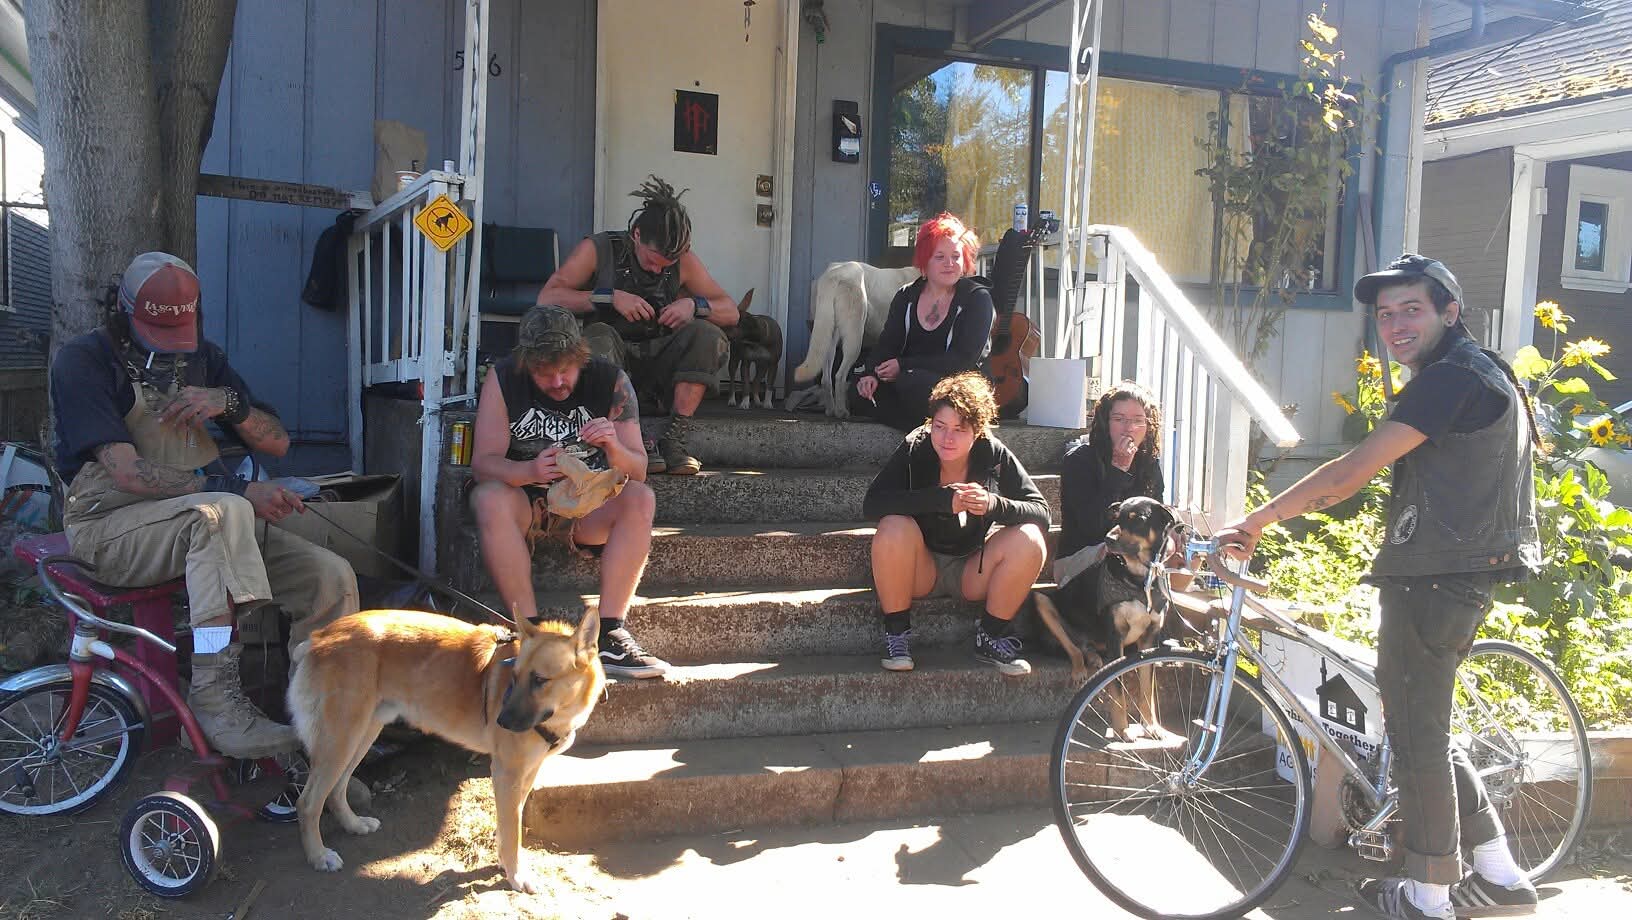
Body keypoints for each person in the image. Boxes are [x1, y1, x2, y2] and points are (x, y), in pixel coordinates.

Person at [1216, 254, 1542, 920]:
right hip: (1460, 575)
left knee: (1417, 740)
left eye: (1411, 310)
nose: (1395, 326)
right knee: (1424, 727)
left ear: (1451, 312)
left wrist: (1259, 517)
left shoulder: (1448, 379)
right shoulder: (1483, 371)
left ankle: (1427, 897)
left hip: (1435, 581)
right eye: (1386, 315)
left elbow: (1349, 472)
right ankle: (1501, 876)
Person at [51, 252, 360, 759]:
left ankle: (326, 723)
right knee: (221, 514)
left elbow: (278, 443)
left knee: (330, 578)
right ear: (123, 311)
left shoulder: (205, 359)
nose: (173, 343)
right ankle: (215, 694)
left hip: (209, 522)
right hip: (109, 527)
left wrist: (228, 404)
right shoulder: (84, 360)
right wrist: (239, 494)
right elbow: (126, 472)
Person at [468, 305, 668, 679]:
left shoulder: (610, 381)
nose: (558, 382)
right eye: (545, 374)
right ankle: (529, 633)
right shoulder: (504, 378)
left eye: (566, 370)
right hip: (525, 504)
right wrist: (526, 470)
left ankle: (610, 632)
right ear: (527, 365)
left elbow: (638, 470)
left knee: (642, 498)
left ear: (581, 358)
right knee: (488, 498)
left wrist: (613, 446)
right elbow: (483, 464)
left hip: (588, 506)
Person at [538, 175, 739, 476]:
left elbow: (731, 312)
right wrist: (610, 298)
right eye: (652, 261)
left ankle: (675, 440)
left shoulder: (683, 261)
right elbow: (547, 298)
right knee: (599, 337)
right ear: (636, 234)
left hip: (660, 360)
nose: (659, 270)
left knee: (709, 334)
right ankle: (631, 438)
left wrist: (693, 306)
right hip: (610, 359)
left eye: (666, 266)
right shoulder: (599, 248)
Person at [862, 371, 1050, 675]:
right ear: (929, 424)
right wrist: (938, 499)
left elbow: (1041, 511)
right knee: (893, 525)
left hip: (970, 570)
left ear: (977, 431)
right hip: (918, 568)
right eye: (939, 427)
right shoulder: (915, 446)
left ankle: (990, 636)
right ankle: (897, 636)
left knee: (1030, 537)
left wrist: (993, 504)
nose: (947, 438)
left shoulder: (992, 451)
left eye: (959, 429)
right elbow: (873, 504)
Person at [851, 213, 994, 431]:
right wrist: (870, 374)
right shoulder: (907, 296)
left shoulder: (977, 299)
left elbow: (962, 360)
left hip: (958, 383)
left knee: (913, 384)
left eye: (956, 256)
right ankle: (928, 425)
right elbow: (888, 344)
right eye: (940, 257)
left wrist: (904, 366)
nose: (949, 264)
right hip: (907, 380)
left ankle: (933, 428)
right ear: (925, 260)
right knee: (857, 391)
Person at [1054, 382, 1165, 591]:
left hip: (1137, 556)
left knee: (1181, 551)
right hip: (1080, 561)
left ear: (1148, 426)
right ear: (1106, 423)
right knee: (1118, 551)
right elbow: (1092, 528)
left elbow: (1156, 519)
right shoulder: (1079, 461)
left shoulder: (1148, 464)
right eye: (1119, 419)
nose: (1129, 428)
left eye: (1138, 420)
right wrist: (1118, 470)